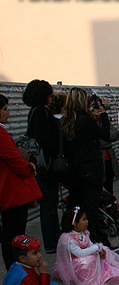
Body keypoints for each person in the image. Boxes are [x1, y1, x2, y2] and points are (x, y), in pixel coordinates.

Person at [61, 88, 117, 251]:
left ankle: (77, 241)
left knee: (77, 207)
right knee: (91, 209)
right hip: (90, 170)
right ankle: (95, 242)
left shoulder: (65, 122)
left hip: (74, 172)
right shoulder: (85, 121)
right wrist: (103, 114)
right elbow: (105, 135)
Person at [54, 206, 119, 285]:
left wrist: (99, 250)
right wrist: (97, 248)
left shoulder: (84, 233)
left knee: (105, 252)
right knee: (87, 260)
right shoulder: (68, 239)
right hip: (74, 265)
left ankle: (105, 278)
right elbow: (79, 253)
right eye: (84, 219)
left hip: (86, 259)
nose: (87, 221)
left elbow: (90, 245)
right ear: (75, 224)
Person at [0, 94, 43, 269]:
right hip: (12, 191)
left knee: (10, 233)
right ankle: (17, 270)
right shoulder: (1, 135)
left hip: (7, 192)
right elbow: (16, 162)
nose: (8, 112)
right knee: (14, 235)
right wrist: (29, 167)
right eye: (4, 109)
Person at [22, 79, 60, 254]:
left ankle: (53, 239)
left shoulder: (35, 111)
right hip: (45, 165)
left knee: (49, 203)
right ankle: (52, 242)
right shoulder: (40, 112)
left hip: (43, 164)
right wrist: (56, 153)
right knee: (49, 203)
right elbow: (44, 138)